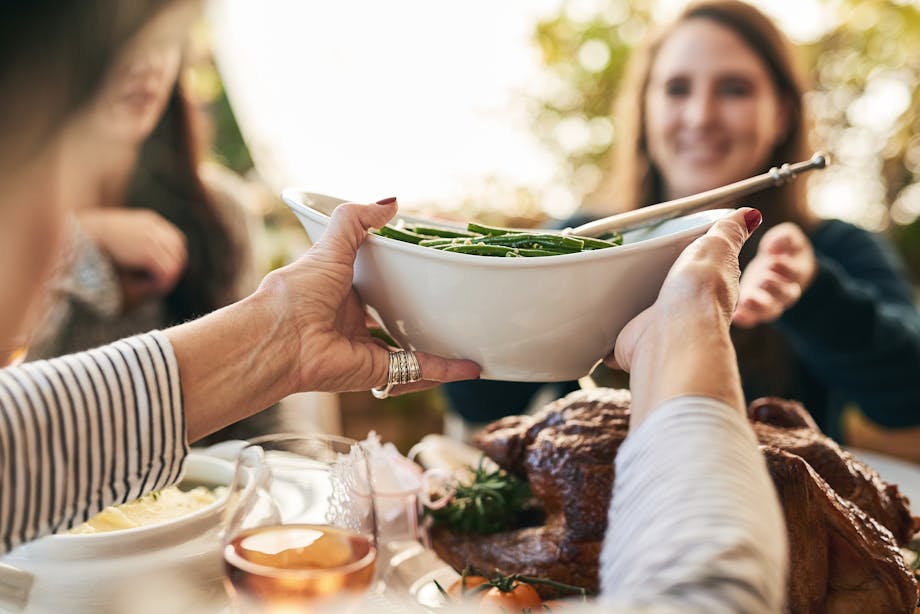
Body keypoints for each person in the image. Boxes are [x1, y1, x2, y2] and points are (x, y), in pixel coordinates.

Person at [0, 0, 480, 555]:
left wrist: (282, 346)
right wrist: (79, 242)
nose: (143, 66)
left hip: (201, 538)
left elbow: (18, 444)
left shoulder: (218, 211)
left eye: (159, 42)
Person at [444, 0, 920, 443]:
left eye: (734, 89)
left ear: (781, 115)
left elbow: (907, 399)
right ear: (646, 111)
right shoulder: (578, 239)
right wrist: (471, 302)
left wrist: (813, 294)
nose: (700, 115)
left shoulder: (832, 248)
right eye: (677, 88)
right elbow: (479, 399)